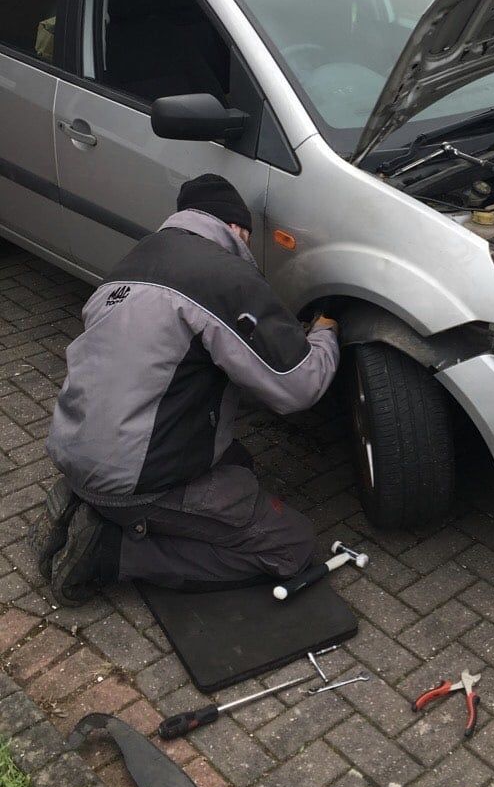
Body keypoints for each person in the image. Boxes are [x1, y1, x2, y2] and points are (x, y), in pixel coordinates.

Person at [32, 174, 339, 606]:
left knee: (240, 467)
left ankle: (94, 504)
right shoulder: (223, 275)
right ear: (236, 228)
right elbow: (300, 387)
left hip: (78, 448)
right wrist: (324, 335)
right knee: (292, 546)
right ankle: (113, 553)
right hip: (134, 478)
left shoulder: (130, 265)